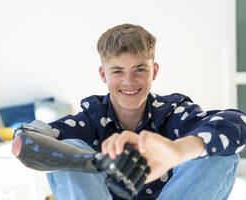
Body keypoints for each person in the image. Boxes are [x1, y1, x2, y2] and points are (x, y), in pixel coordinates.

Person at [23, 24, 246, 200]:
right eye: (118, 71)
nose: (128, 81)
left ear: (154, 71)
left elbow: (238, 123)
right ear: (104, 75)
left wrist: (177, 151)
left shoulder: (173, 114)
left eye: (140, 69)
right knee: (69, 148)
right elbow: (27, 139)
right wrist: (98, 161)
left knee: (218, 152)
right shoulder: (88, 122)